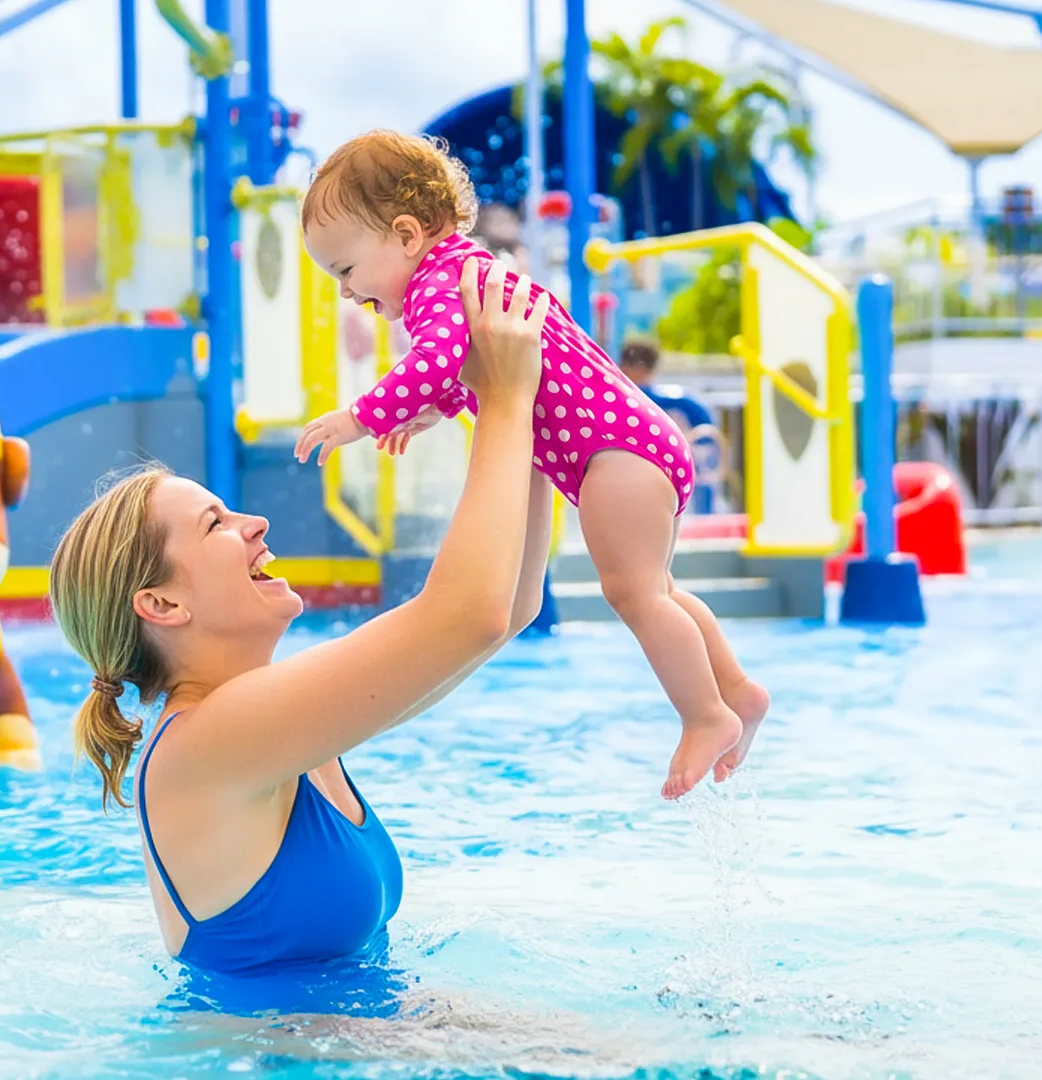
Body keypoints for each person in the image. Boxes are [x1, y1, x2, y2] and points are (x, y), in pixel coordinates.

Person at [48, 261, 552, 979]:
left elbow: (506, 612)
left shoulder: (282, 724)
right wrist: (504, 399)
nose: (255, 523)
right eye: (216, 523)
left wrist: (524, 404)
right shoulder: (208, 741)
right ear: (161, 605)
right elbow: (464, 614)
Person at [294, 131, 769, 800]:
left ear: (406, 234)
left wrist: (362, 416)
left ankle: (705, 714)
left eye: (345, 270)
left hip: (615, 453)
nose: (346, 292)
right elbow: (463, 373)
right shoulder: (466, 272)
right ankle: (739, 692)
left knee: (633, 595)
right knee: (653, 590)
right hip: (633, 446)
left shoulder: (441, 282)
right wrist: (421, 411)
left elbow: (433, 363)